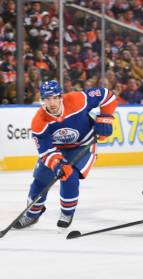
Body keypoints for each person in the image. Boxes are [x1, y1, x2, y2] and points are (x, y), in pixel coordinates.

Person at [14, 80, 117, 229]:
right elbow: (46, 151)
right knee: (40, 180)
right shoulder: (39, 121)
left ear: (61, 97)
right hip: (57, 150)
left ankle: (67, 212)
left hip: (83, 145)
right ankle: (32, 214)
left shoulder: (78, 99)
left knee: (70, 177)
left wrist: (105, 118)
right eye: (47, 99)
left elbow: (108, 96)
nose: (52, 103)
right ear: (42, 100)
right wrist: (57, 164)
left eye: (55, 97)